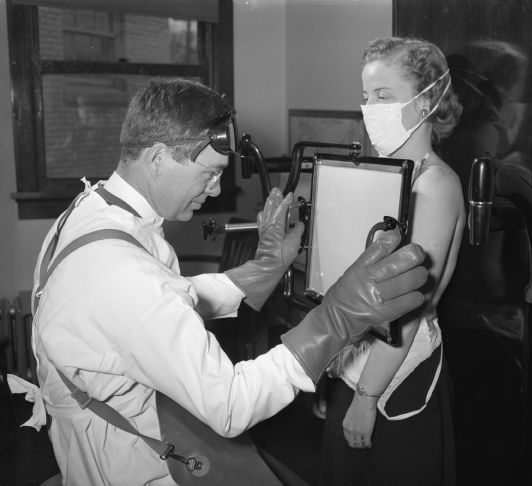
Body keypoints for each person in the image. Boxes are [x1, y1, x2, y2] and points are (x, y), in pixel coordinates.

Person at [28, 78, 429, 485]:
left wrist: (263, 270)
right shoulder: (123, 274)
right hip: (129, 463)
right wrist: (334, 321)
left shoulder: (92, 210)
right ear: (158, 158)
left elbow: (160, 307)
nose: (217, 189)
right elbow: (231, 405)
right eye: (210, 173)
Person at [318, 37, 465, 486]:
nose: (370, 109)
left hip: (394, 375)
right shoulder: (385, 173)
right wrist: (331, 368)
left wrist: (365, 398)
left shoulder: (434, 185)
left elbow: (410, 308)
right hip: (355, 362)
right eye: (366, 97)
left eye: (384, 97)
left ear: (426, 102)